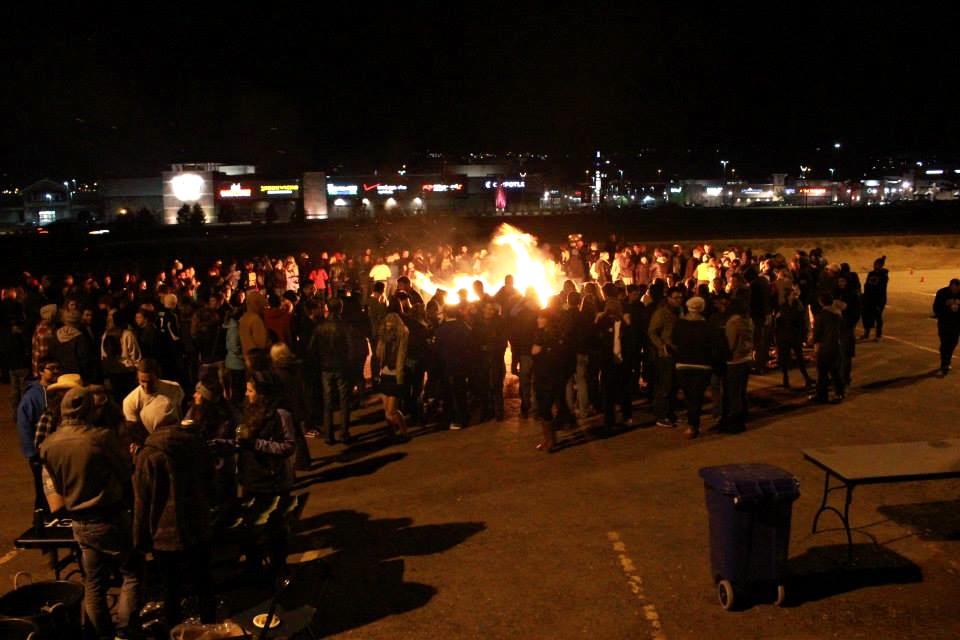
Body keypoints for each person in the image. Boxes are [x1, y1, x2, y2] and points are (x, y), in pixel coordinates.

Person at [39, 386, 142, 639]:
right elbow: (124, 469)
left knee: (93, 581)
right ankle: (125, 631)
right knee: (132, 572)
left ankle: (101, 633)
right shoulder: (100, 438)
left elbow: (56, 487)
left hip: (79, 520)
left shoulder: (49, 445)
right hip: (109, 516)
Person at [133, 395, 216, 629]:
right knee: (204, 582)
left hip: (164, 534)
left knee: (171, 589)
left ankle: (174, 630)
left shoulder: (148, 455)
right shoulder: (196, 442)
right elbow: (211, 479)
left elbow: (142, 502)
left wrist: (140, 539)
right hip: (198, 525)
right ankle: (211, 629)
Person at [237, 371, 296, 582]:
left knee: (275, 530)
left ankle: (279, 569)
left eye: (250, 390)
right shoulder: (249, 412)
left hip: (273, 482)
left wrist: (257, 444)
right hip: (251, 480)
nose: (246, 394)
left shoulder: (281, 415)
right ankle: (255, 568)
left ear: (262, 393)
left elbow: (288, 446)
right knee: (249, 529)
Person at [308, 297, 362, 444]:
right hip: (341, 367)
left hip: (325, 367)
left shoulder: (320, 327)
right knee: (344, 400)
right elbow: (352, 349)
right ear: (340, 308)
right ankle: (344, 433)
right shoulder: (345, 326)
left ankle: (328, 435)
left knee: (328, 401)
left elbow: (312, 349)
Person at [672, 297, 727, 438]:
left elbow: (674, 342)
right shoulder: (708, 327)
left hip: (683, 364)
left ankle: (692, 424)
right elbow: (716, 347)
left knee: (689, 395)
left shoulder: (679, 324)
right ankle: (693, 425)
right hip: (702, 366)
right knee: (696, 396)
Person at [16, 356, 61, 520]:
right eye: (52, 368)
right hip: (39, 453)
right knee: (42, 493)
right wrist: (32, 453)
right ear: (41, 371)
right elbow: (24, 424)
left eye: (58, 368)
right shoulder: (32, 396)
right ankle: (40, 525)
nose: (56, 371)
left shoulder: (58, 391)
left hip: (56, 451)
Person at [123, 359, 185, 444]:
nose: (146, 386)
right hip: (155, 444)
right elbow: (136, 432)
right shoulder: (130, 401)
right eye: (143, 381)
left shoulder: (174, 388)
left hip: (179, 437)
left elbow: (181, 410)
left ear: (158, 376)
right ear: (137, 378)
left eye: (150, 382)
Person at [434, 306, 474, 430]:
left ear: (446, 314)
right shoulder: (464, 327)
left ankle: (449, 419)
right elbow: (470, 345)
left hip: (446, 366)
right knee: (461, 392)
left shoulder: (441, 330)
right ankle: (464, 419)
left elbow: (436, 350)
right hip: (461, 365)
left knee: (448, 394)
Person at [596, 298, 633, 431]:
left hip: (622, 361)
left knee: (623, 390)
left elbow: (629, 342)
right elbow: (597, 341)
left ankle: (626, 416)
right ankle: (609, 420)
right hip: (608, 361)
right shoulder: (603, 323)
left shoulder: (623, 323)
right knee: (608, 392)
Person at [531, 309, 566, 452]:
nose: (539, 320)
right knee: (544, 408)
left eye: (542, 318)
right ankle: (548, 439)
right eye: (538, 317)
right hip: (543, 375)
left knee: (545, 408)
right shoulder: (546, 334)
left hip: (548, 376)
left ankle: (550, 441)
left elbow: (535, 352)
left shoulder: (548, 336)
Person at [649, 286, 683, 428]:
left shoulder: (679, 312)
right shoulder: (661, 313)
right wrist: (662, 346)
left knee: (674, 385)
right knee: (665, 385)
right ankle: (662, 415)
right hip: (665, 354)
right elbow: (652, 332)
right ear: (668, 298)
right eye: (676, 297)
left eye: (680, 297)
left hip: (676, 352)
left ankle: (670, 414)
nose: (679, 300)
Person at [376, 312, 411, 438]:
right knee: (387, 411)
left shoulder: (402, 335)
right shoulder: (384, 337)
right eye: (387, 325)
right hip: (385, 373)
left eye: (391, 326)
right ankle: (394, 433)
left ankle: (404, 432)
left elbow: (402, 356)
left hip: (395, 374)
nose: (388, 328)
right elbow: (379, 355)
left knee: (392, 411)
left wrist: (400, 377)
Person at [723, 298, 754, 432]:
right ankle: (743, 415)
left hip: (735, 360)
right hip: (746, 358)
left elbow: (730, 343)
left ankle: (736, 422)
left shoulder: (732, 323)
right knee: (741, 390)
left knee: (733, 392)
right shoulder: (748, 321)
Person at [775, 286, 813, 389]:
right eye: (792, 294)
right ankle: (785, 379)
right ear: (788, 296)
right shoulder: (783, 306)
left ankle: (806, 377)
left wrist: (803, 336)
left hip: (794, 335)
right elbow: (778, 322)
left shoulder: (798, 306)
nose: (794, 296)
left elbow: (801, 322)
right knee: (785, 358)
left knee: (799, 358)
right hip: (785, 336)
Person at [811, 292, 845, 402]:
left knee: (822, 372)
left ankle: (821, 395)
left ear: (821, 302)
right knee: (835, 371)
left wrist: (814, 342)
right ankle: (839, 393)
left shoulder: (821, 315)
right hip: (836, 345)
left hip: (825, 346)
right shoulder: (838, 314)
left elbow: (817, 333)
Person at [933, 278, 960, 377]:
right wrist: (945, 305)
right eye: (954, 288)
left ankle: (947, 361)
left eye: (957, 289)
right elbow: (936, 308)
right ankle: (944, 365)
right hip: (944, 323)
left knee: (953, 342)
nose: (955, 291)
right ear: (950, 286)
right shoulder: (942, 293)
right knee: (945, 344)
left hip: (956, 324)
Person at [239, 291, 269, 370]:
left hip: (246, 357)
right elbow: (261, 342)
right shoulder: (256, 320)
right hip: (256, 358)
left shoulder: (243, 318)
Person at [861, 256, 889, 341]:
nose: (875, 266)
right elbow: (867, 284)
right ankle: (866, 333)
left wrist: (879, 301)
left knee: (878, 316)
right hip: (869, 298)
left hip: (879, 299)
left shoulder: (884, 275)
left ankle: (878, 335)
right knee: (867, 316)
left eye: (877, 264)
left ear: (881, 265)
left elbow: (880, 288)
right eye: (874, 264)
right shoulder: (871, 273)